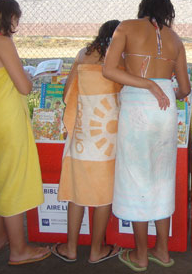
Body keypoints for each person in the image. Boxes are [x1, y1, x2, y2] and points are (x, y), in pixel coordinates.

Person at [102, 0, 191, 272]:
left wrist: (146, 85)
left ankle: (141, 255)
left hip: (137, 107)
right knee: (161, 178)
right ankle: (162, 251)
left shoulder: (126, 27)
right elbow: (185, 90)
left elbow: (109, 70)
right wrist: (161, 87)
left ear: (142, 9)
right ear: (167, 12)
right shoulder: (176, 40)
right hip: (165, 109)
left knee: (137, 179)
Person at [0, 0, 51, 265]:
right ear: (10, 18)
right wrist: (31, 75)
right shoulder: (2, 42)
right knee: (13, 181)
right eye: (17, 17)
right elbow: (25, 87)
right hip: (5, 121)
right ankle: (19, 250)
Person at [51, 20, 122, 264]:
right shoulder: (119, 61)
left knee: (76, 192)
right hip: (107, 140)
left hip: (81, 135)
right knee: (103, 195)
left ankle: (70, 248)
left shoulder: (83, 55)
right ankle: (96, 250)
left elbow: (66, 93)